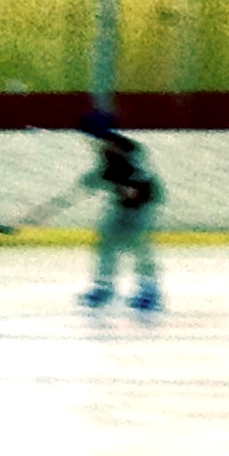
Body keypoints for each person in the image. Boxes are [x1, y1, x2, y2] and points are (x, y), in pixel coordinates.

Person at [77, 113, 164, 315]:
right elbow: (106, 172)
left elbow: (140, 180)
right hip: (122, 204)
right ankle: (104, 287)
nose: (91, 142)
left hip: (144, 205)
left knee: (138, 244)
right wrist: (92, 179)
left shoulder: (130, 149)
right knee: (106, 239)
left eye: (93, 137)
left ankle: (149, 291)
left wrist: (129, 188)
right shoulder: (107, 151)